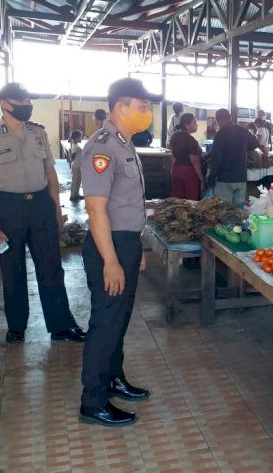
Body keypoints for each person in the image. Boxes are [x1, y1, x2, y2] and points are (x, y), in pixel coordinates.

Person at [0, 82, 85, 344]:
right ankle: (17, 327)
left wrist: (56, 209)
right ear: (4, 104)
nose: (26, 106)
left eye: (27, 102)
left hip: (41, 207)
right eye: (20, 102)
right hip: (8, 208)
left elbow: (50, 173)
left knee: (51, 267)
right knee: (12, 269)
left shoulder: (38, 133)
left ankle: (61, 326)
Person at [79, 77, 159, 427]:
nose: (148, 113)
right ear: (120, 108)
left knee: (119, 319)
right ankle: (93, 401)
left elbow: (128, 206)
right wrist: (111, 261)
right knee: (105, 322)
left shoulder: (125, 144)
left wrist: (135, 247)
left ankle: (113, 378)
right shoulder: (103, 146)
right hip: (106, 245)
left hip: (124, 242)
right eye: (142, 107)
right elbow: (96, 210)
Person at [208, 108, 267, 205]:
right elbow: (255, 143)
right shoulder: (242, 131)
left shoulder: (220, 135)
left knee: (224, 211)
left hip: (224, 179)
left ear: (218, 120)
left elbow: (216, 159)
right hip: (240, 178)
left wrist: (211, 179)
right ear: (230, 118)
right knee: (238, 212)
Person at [169, 113, 203, 200]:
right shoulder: (191, 140)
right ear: (187, 125)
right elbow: (194, 161)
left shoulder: (174, 136)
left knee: (177, 199)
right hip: (188, 171)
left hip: (176, 169)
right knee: (190, 200)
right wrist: (201, 178)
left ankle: (177, 213)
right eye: (194, 123)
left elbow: (173, 156)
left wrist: (172, 170)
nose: (197, 125)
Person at [69, 130, 84, 201]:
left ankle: (77, 194)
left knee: (78, 180)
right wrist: (74, 162)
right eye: (80, 137)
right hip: (76, 166)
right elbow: (72, 157)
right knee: (75, 181)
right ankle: (72, 195)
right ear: (76, 138)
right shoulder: (75, 146)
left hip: (79, 165)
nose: (81, 139)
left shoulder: (76, 145)